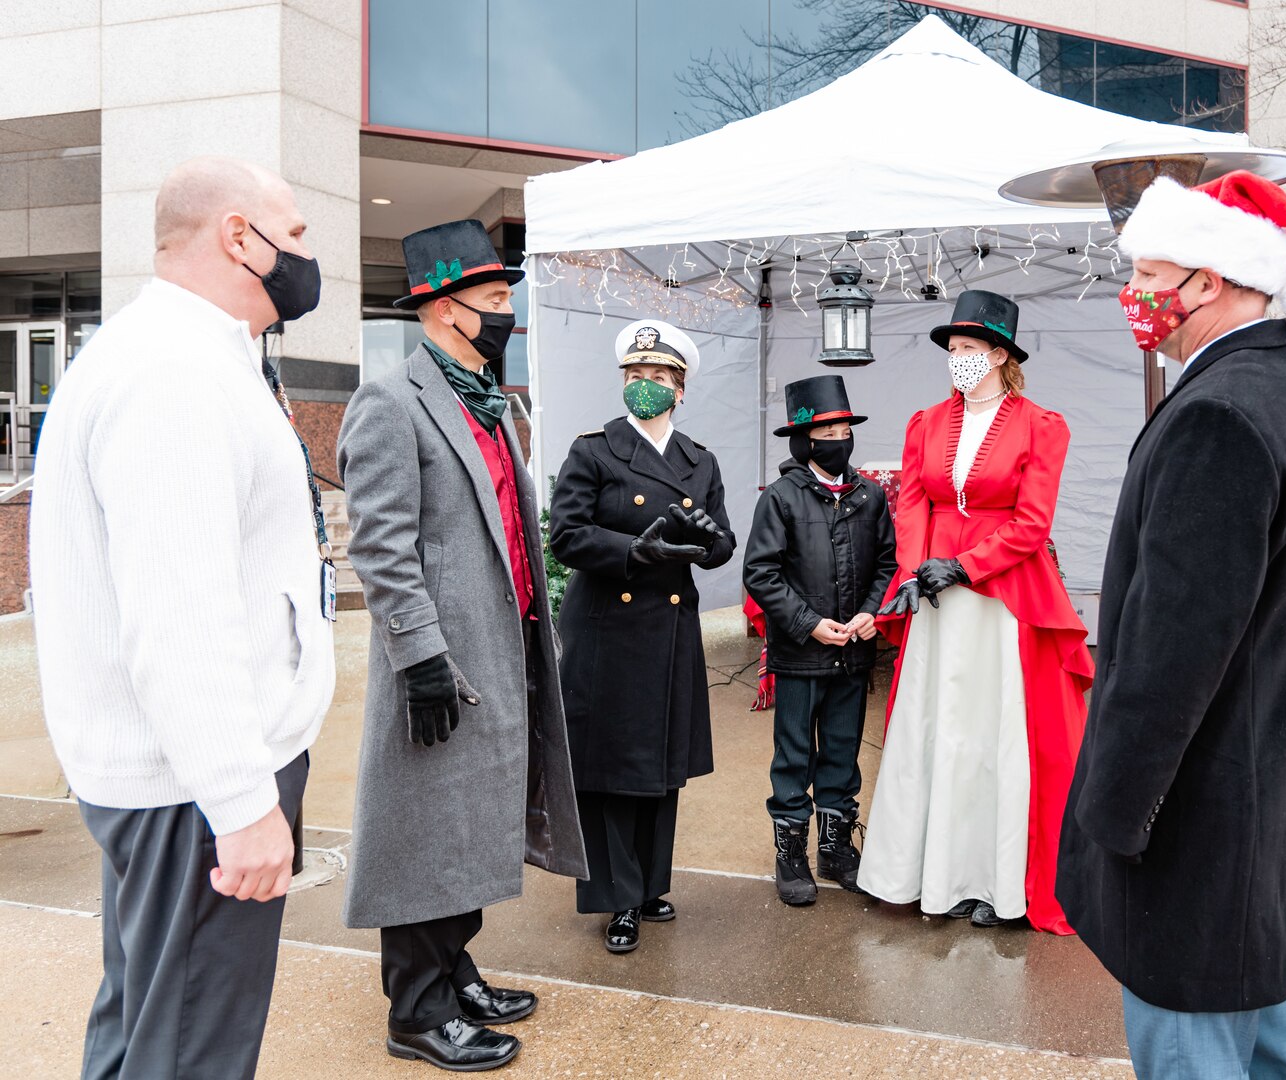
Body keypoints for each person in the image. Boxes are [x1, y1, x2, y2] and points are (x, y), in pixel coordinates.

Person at [29, 156, 335, 1080]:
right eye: (294, 230)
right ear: (238, 237)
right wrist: (243, 804)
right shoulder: (173, 373)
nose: (305, 251)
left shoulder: (187, 354)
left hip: (184, 779)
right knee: (193, 1045)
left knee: (145, 1026)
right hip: (196, 790)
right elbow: (177, 612)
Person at [1055, 171, 1286, 1079]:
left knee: (1192, 1026)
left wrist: (1115, 807)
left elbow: (1169, 651)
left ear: (1212, 278)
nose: (1136, 295)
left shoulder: (1220, 413)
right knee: (1272, 1011)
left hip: (1203, 816)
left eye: (1151, 273)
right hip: (1267, 796)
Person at [337, 219, 587, 1072]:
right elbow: (379, 546)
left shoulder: (488, 401)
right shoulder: (389, 402)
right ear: (444, 312)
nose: (506, 314)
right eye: (493, 300)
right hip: (441, 662)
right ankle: (417, 1011)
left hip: (501, 646)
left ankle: (457, 969)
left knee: (476, 823)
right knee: (428, 834)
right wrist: (421, 660)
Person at [859, 289, 1094, 933]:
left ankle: (1000, 881)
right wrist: (914, 569)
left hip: (1002, 594)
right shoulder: (925, 423)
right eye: (952, 350)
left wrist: (964, 565)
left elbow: (1031, 522)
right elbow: (910, 503)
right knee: (939, 730)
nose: (957, 359)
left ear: (998, 354)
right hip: (936, 595)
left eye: (968, 349)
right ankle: (928, 872)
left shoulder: (1042, 425)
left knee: (997, 736)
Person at [549, 318, 735, 954]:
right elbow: (566, 536)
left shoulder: (698, 459)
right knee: (612, 769)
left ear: (680, 389)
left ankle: (651, 884)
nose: (644, 386)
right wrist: (636, 549)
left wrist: (714, 544)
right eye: (635, 376)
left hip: (671, 629)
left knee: (660, 766)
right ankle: (618, 898)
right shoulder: (594, 449)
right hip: (608, 629)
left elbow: (719, 543)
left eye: (657, 377)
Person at [743, 375, 898, 906]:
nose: (837, 438)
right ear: (804, 439)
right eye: (825, 430)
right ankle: (791, 855)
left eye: (843, 428)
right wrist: (808, 622)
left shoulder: (870, 495)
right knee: (792, 757)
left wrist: (869, 611)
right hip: (799, 654)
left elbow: (886, 564)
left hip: (853, 655)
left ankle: (835, 849)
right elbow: (761, 573)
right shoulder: (781, 499)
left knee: (841, 752)